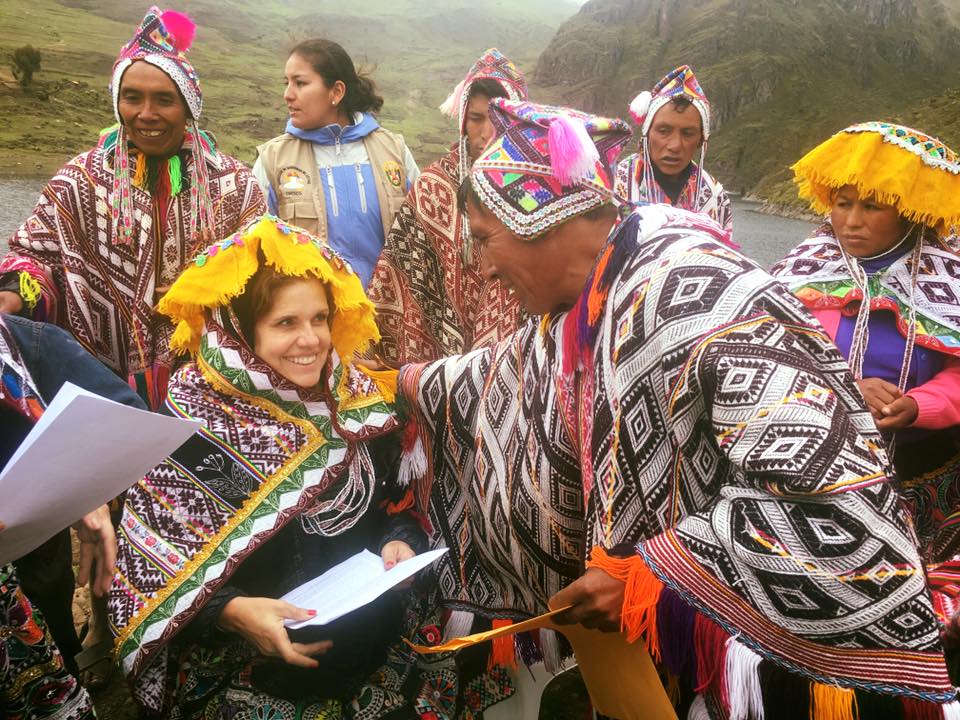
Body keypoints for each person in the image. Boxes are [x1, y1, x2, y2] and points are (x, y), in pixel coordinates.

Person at [397, 100, 956, 716]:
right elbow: (502, 371)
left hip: (764, 668)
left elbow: (838, 504)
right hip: (678, 651)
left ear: (542, 222)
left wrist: (654, 571)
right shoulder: (598, 290)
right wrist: (404, 384)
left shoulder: (700, 297)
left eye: (485, 241)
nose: (485, 269)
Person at [108, 216, 514, 719]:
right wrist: (233, 613)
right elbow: (151, 572)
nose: (311, 340)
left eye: (319, 318)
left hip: (372, 643)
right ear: (239, 330)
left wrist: (398, 538)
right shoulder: (194, 421)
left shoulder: (355, 402)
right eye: (285, 323)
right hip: (250, 664)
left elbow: (394, 500)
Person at [0, 6, 265, 410]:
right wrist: (16, 293)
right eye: (132, 97)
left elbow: (265, 279)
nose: (146, 114)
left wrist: (207, 293)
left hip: (208, 378)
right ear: (116, 102)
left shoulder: (236, 186)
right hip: (96, 373)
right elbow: (34, 254)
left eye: (164, 100)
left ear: (189, 106)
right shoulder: (79, 180)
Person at [771, 121, 960, 668]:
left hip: (922, 481)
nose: (851, 222)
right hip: (811, 471)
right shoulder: (803, 268)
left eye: (872, 207)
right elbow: (765, 354)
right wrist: (845, 384)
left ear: (908, 208)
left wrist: (921, 405)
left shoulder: (947, 277)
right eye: (842, 202)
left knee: (914, 620)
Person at [1, 313, 145, 718]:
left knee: (55, 637)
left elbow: (125, 416)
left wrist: (78, 487)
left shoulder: (23, 345)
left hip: (37, 578)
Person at [368, 49, 527, 364]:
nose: (486, 134)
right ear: (463, 120)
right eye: (476, 119)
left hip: (516, 355)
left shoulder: (536, 193)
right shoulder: (433, 187)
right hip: (441, 356)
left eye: (499, 119)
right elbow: (400, 275)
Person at [254, 39, 420, 289]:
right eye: (286, 83)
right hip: (317, 320)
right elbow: (252, 250)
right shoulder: (273, 160)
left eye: (300, 83)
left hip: (388, 317)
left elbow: (425, 236)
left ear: (336, 92)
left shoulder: (393, 150)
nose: (287, 94)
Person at [614, 65, 733, 240]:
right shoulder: (616, 186)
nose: (675, 145)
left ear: (701, 140)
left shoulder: (714, 196)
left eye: (688, 133)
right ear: (647, 133)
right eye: (664, 131)